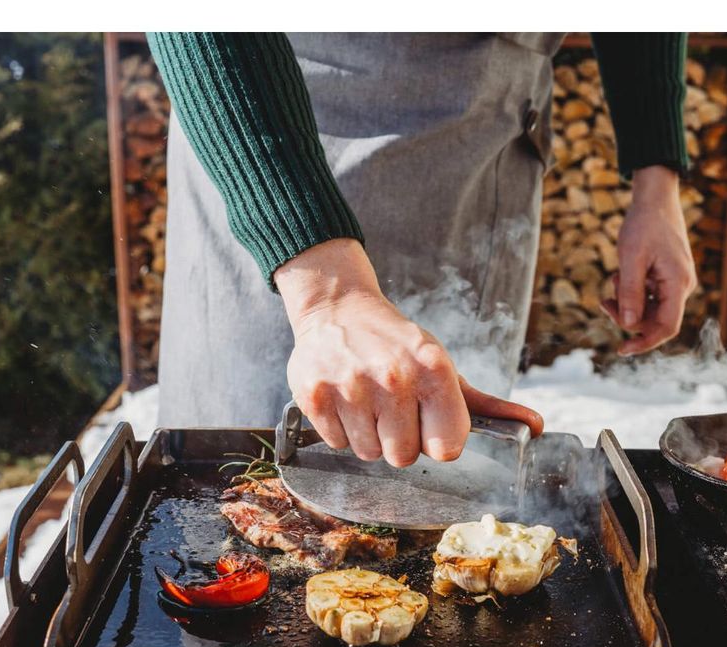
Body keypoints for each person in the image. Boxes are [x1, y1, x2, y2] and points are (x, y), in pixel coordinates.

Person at [148, 33, 697, 467]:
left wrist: (656, 175)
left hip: (491, 145)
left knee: (454, 481)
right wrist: (327, 294)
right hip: (275, 133)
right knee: (236, 486)